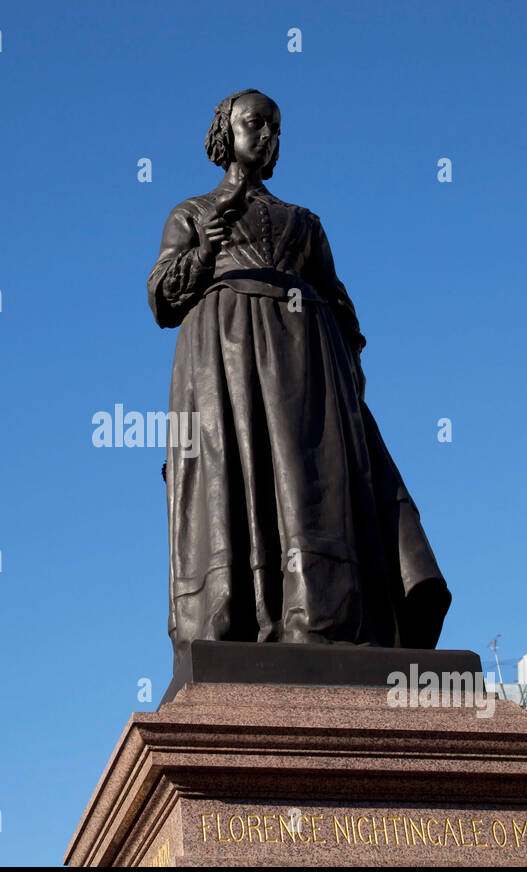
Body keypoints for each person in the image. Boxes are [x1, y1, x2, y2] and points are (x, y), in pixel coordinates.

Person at [149, 88, 451, 665]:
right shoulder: (191, 213)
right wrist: (203, 254)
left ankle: (320, 617)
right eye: (255, 124)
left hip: (308, 363)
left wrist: (347, 373)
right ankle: (243, 618)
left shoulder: (304, 222)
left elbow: (341, 306)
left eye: (276, 128)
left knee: (310, 484)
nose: (267, 136)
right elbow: (162, 298)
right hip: (223, 360)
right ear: (225, 133)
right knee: (239, 477)